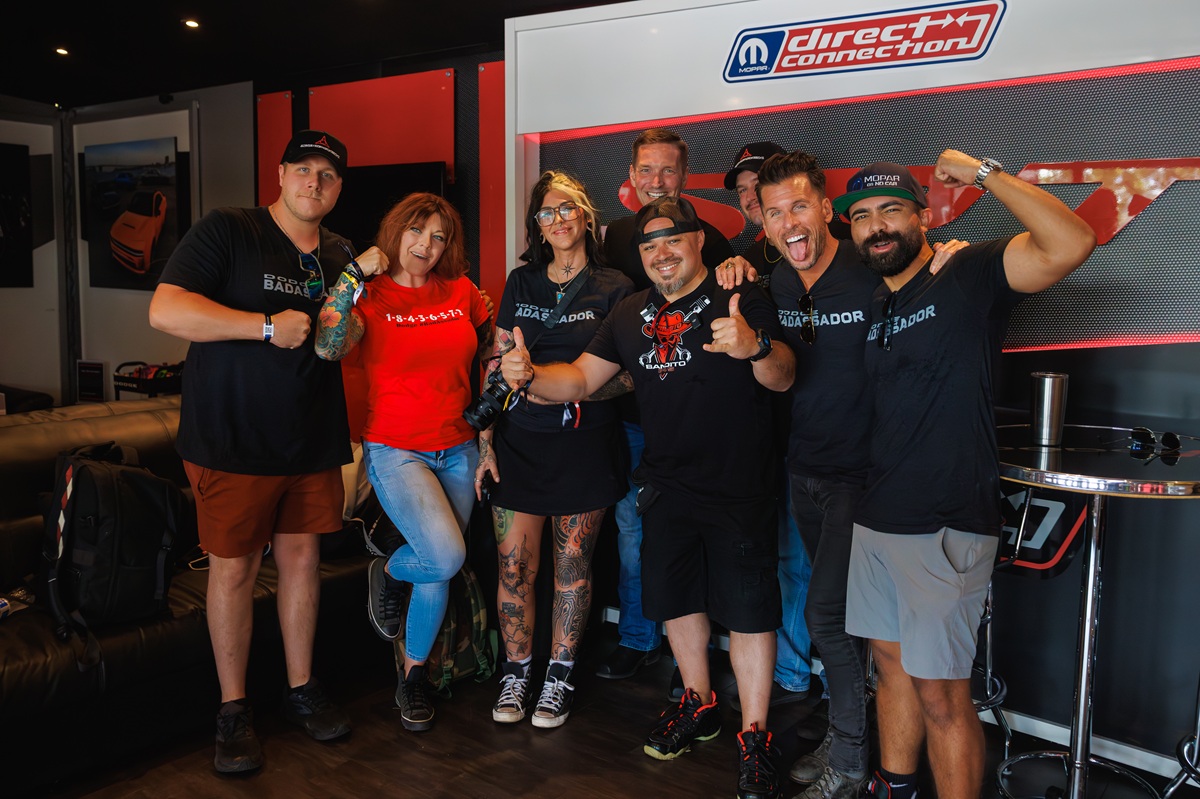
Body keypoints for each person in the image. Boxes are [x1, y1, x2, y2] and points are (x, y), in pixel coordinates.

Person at [500, 195, 795, 799]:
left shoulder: (737, 296)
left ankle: (756, 735)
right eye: (649, 244)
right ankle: (699, 702)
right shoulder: (629, 312)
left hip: (739, 487)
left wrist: (755, 347)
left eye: (672, 239)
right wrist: (529, 376)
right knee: (678, 603)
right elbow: (581, 378)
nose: (661, 252)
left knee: (747, 613)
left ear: (698, 242)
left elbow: (786, 375)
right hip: (664, 484)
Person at [835, 153, 1095, 799]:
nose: (877, 226)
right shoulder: (877, 301)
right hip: (878, 515)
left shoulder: (969, 273)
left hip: (945, 518)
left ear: (923, 214)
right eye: (863, 216)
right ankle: (894, 787)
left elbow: (1072, 242)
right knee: (889, 671)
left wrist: (985, 174)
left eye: (891, 209)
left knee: (944, 694)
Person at [149, 130, 382, 773]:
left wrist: (350, 324)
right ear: (279, 176)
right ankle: (234, 709)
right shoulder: (230, 229)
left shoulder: (340, 255)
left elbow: (337, 337)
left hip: (310, 437)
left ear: (339, 188)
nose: (314, 183)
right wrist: (263, 327)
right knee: (233, 571)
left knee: (303, 560)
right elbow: (166, 311)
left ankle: (302, 690)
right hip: (231, 437)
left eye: (327, 176)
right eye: (302, 170)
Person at [313, 192, 491, 733]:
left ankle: (412, 678)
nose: (427, 246)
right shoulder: (370, 295)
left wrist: (489, 442)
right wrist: (349, 277)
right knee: (444, 554)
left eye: (439, 237)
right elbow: (326, 344)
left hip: (458, 445)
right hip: (396, 448)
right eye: (418, 231)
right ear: (395, 232)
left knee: (438, 567)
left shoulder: (463, 292)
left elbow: (489, 361)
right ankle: (388, 570)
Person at [475, 170, 633, 729]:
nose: (558, 219)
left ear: (585, 216)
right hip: (519, 445)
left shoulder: (615, 286)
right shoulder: (521, 284)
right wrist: (486, 441)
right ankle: (517, 672)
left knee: (572, 567)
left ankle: (559, 675)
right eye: (546, 213)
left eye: (567, 209)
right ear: (537, 227)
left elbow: (633, 376)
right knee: (515, 567)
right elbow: (496, 364)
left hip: (586, 443)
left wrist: (562, 386)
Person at [596, 128, 735, 689]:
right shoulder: (614, 238)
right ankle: (637, 638)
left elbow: (730, 308)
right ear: (632, 177)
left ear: (685, 176)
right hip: (631, 415)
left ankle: (690, 665)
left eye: (668, 172)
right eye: (646, 171)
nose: (656, 182)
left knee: (700, 542)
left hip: (698, 421)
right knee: (635, 536)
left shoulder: (710, 239)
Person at [722, 141, 814, 718]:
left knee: (805, 563)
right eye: (744, 191)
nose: (752, 198)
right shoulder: (740, 261)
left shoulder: (832, 254)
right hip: (764, 436)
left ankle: (800, 672)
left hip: (825, 438)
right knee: (780, 556)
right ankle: (792, 670)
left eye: (763, 185)